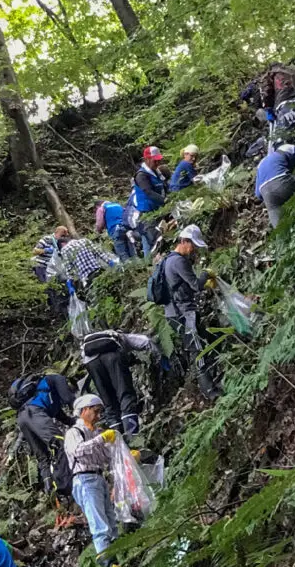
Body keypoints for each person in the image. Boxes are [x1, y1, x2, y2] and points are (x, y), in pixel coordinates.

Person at [162, 225, 222, 398]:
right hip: (182, 313)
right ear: (183, 241)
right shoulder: (179, 261)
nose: (193, 249)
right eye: (192, 244)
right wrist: (205, 274)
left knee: (207, 340)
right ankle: (210, 392)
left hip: (176, 313)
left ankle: (212, 381)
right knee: (198, 349)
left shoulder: (169, 260)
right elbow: (196, 285)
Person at [63, 394, 119, 566]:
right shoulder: (74, 432)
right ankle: (107, 562)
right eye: (95, 411)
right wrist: (100, 439)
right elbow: (77, 451)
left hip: (99, 477)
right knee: (99, 523)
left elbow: (105, 457)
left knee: (111, 520)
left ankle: (117, 556)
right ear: (84, 410)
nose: (98, 416)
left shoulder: (96, 432)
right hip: (84, 479)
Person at [79, 329, 158, 437]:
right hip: (113, 358)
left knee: (108, 402)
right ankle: (132, 436)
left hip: (91, 363)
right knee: (125, 394)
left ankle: (117, 440)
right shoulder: (120, 336)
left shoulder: (88, 343)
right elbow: (145, 341)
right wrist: (160, 356)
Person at [8, 374, 75, 500]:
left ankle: (50, 491)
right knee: (59, 444)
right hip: (35, 413)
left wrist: (72, 421)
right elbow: (69, 399)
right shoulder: (57, 379)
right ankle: (66, 488)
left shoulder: (45, 393)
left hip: (22, 418)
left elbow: (60, 415)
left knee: (42, 457)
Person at [256, 141, 295, 227]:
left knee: (280, 229)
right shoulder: (290, 148)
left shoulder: (261, 163)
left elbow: (258, 194)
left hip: (267, 195)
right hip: (282, 181)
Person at [125, 146, 168, 257]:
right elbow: (148, 192)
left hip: (159, 211)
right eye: (155, 160)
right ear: (147, 159)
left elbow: (164, 187)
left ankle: (149, 263)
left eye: (159, 160)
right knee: (154, 241)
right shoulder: (141, 175)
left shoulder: (157, 173)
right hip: (148, 214)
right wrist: (165, 200)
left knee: (156, 239)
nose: (158, 162)